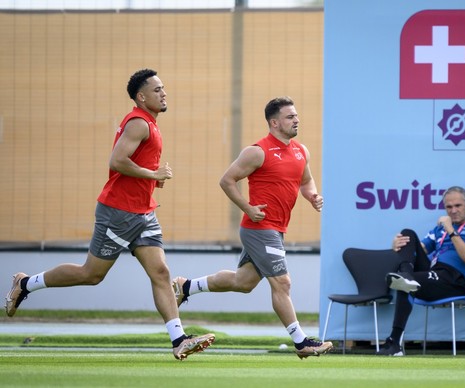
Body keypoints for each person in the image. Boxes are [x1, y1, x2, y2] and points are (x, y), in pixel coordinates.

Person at [4, 69, 215, 360]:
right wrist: (153, 173)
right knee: (91, 274)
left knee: (161, 273)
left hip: (143, 213)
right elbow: (117, 161)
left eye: (163, 88)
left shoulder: (150, 124)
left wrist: (152, 181)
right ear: (141, 97)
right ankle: (25, 283)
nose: (164, 93)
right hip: (118, 212)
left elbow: (132, 165)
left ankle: (178, 339)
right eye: (157, 89)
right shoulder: (139, 123)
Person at [172, 96, 333, 359]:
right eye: (290, 116)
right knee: (282, 283)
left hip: (277, 229)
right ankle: (301, 342)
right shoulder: (257, 151)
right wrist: (247, 208)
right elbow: (227, 181)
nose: (297, 120)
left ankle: (186, 286)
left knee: (243, 282)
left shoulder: (301, 151)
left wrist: (313, 196)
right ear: (274, 122)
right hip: (260, 228)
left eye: (297, 116)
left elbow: (306, 181)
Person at [379, 186, 465, 356]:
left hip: (455, 280)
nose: (453, 211)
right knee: (407, 235)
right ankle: (406, 276)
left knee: (405, 283)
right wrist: (396, 247)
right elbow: (417, 250)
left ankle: (394, 341)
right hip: (434, 273)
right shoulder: (439, 230)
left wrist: (451, 231)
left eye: (458, 206)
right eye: (449, 207)